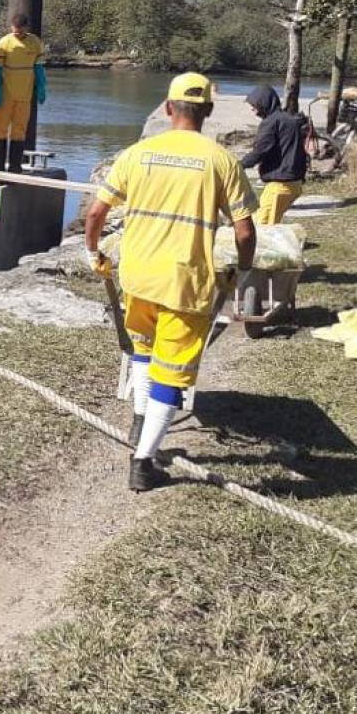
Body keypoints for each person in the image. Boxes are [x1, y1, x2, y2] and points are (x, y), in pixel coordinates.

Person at [84, 73, 258, 492]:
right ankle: (143, 462)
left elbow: (94, 213)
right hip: (185, 283)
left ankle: (140, 421)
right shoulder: (221, 162)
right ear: (209, 112)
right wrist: (244, 270)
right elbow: (245, 232)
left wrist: (94, 253)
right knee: (172, 372)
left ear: (167, 108)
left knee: (142, 352)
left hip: (137, 277)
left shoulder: (137, 154)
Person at [242, 85, 309, 225]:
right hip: (294, 183)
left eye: (254, 105)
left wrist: (238, 165)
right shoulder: (288, 119)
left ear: (264, 103)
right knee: (270, 222)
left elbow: (260, 151)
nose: (252, 109)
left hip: (281, 184)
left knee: (262, 227)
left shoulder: (271, 122)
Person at [0, 13, 46, 173]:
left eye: (20, 31)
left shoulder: (35, 43)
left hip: (24, 95)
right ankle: (0, 164)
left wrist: (41, 86)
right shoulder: (4, 43)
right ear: (11, 28)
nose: (18, 34)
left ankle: (15, 165)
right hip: (6, 94)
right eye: (15, 31)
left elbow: (39, 68)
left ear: (26, 28)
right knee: (0, 128)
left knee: (20, 129)